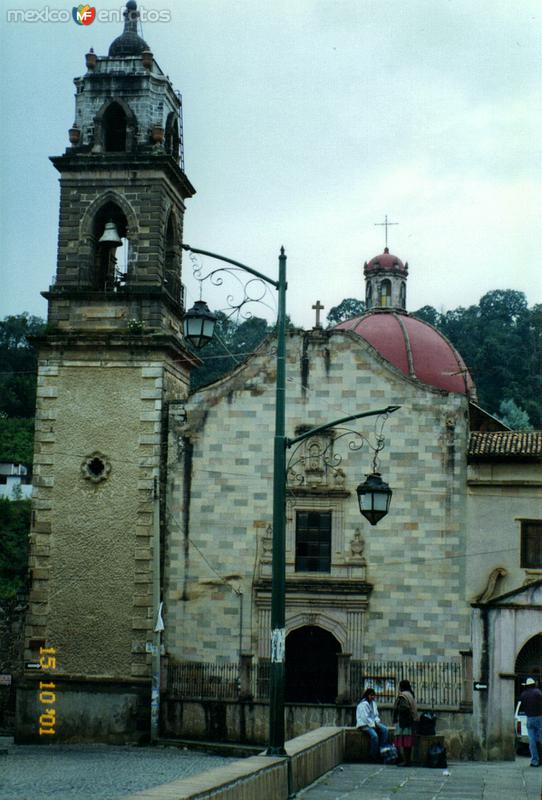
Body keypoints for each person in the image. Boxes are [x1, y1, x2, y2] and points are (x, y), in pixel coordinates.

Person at [356, 687, 389, 761]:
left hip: (373, 723)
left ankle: (382, 750)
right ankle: (373, 755)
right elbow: (365, 718)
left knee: (385, 730)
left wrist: (376, 723)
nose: (373, 697)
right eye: (371, 695)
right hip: (364, 724)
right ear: (367, 695)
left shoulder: (373, 703)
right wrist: (373, 725)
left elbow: (376, 715)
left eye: (374, 695)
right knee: (374, 736)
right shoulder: (363, 704)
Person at [392, 679, 419, 767]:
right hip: (411, 721)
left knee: (404, 742)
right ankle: (407, 761)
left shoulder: (403, 695)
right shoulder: (410, 694)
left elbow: (403, 708)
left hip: (405, 722)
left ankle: (406, 761)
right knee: (408, 742)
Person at [519, 677, 542, 767]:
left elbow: (523, 706)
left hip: (529, 718)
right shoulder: (538, 692)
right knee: (540, 739)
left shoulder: (523, 694)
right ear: (534, 684)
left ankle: (534, 760)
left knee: (532, 741)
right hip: (539, 718)